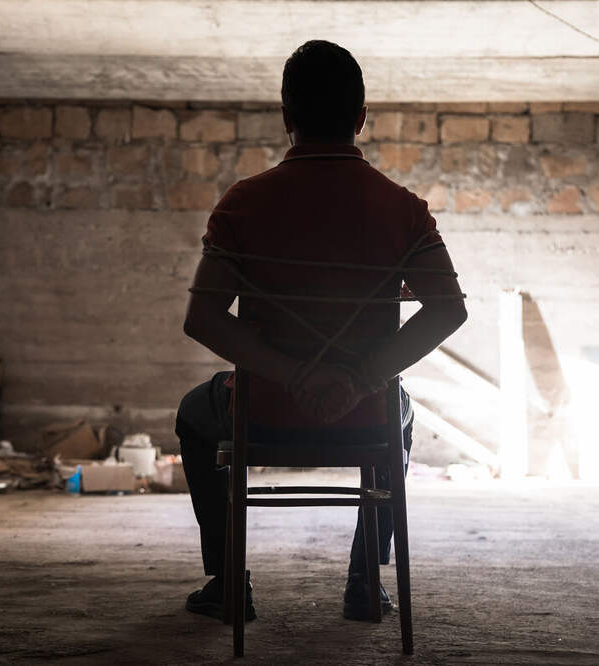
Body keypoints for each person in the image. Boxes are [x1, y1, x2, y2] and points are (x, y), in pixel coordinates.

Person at [177, 40, 466, 623]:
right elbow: (448, 311)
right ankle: (365, 582)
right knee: (402, 413)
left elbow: (202, 317)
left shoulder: (244, 203)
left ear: (286, 117)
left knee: (193, 413)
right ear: (361, 118)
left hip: (261, 410)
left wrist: (293, 375)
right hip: (364, 411)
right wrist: (361, 378)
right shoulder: (404, 209)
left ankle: (229, 582)